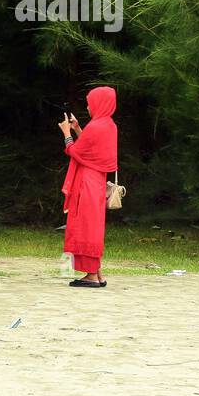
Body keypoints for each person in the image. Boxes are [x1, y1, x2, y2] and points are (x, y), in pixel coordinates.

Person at [58, 86, 118, 288]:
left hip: (87, 181)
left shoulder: (97, 126)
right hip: (98, 181)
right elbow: (90, 146)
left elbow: (75, 150)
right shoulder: (108, 125)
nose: (88, 106)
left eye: (90, 102)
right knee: (93, 224)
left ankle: (92, 275)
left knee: (85, 225)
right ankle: (97, 273)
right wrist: (76, 128)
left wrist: (66, 133)